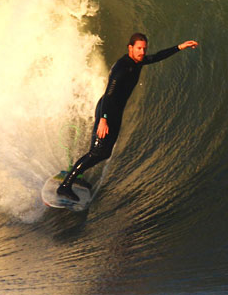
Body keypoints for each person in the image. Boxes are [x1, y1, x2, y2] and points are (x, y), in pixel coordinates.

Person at [57, 32, 199, 201]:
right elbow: (109, 94)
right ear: (130, 48)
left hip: (116, 112)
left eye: (144, 49)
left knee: (104, 153)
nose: (142, 52)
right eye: (138, 48)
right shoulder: (122, 68)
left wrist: (179, 47)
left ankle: (77, 177)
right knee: (96, 152)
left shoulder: (137, 62)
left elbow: (156, 57)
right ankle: (65, 186)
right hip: (107, 110)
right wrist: (103, 119)